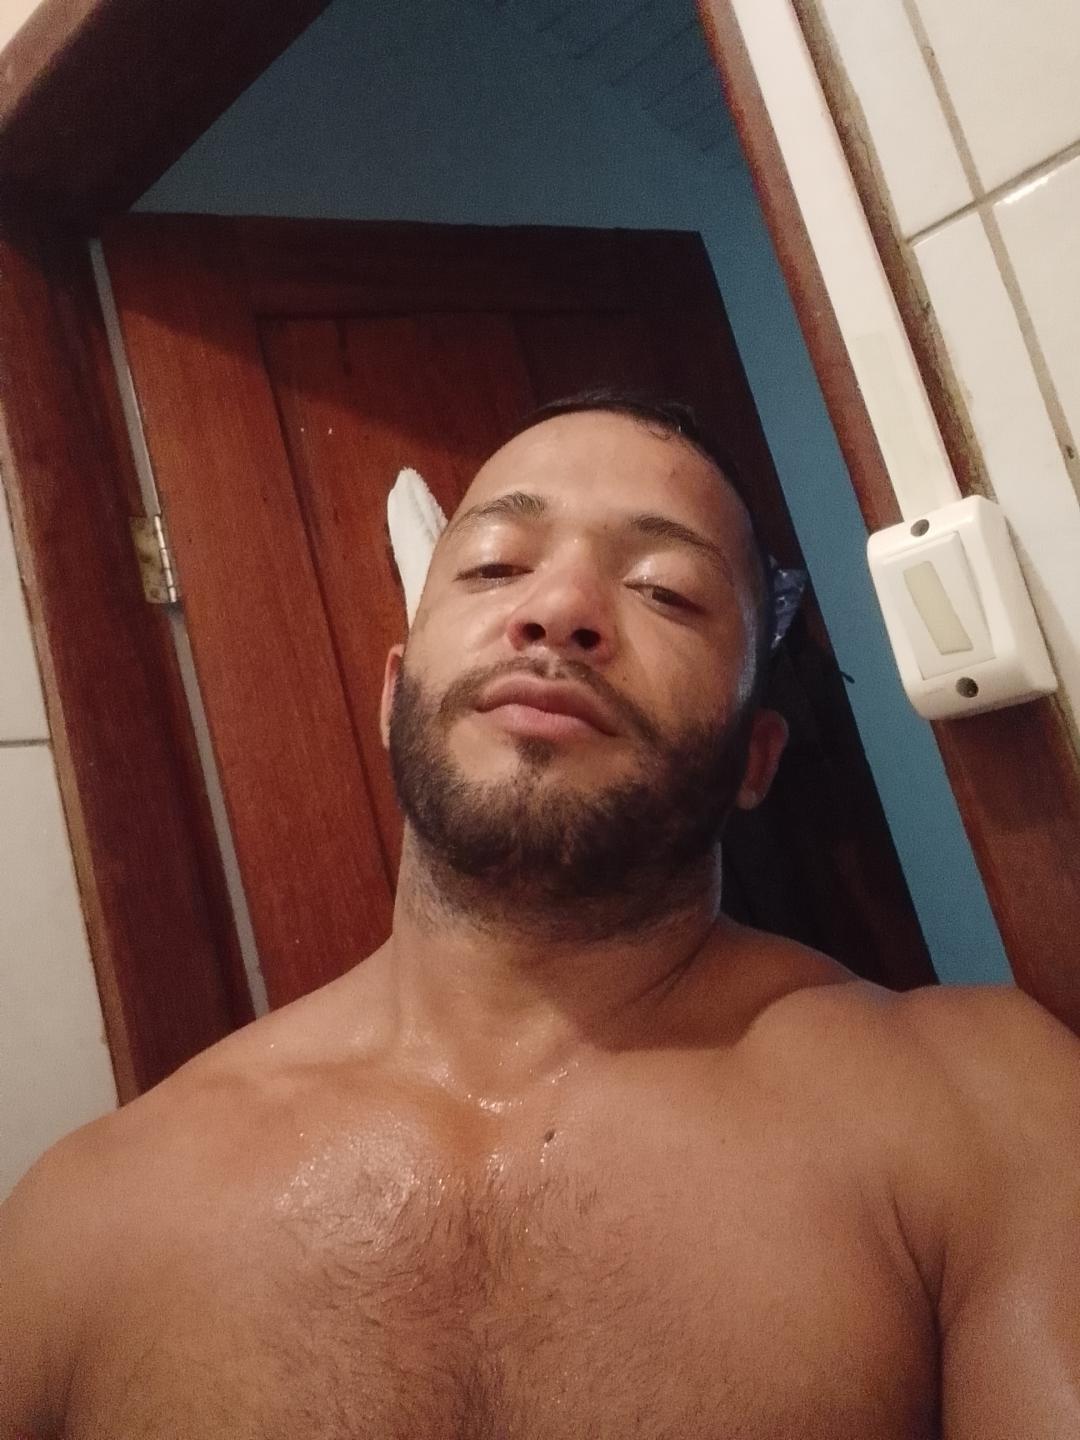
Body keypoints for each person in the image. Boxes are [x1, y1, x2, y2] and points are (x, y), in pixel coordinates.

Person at [2, 392, 1078, 1439]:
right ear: (394, 698)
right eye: (493, 566)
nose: (559, 609)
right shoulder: (85, 1218)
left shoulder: (987, 1115)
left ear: (754, 758)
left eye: (665, 591)